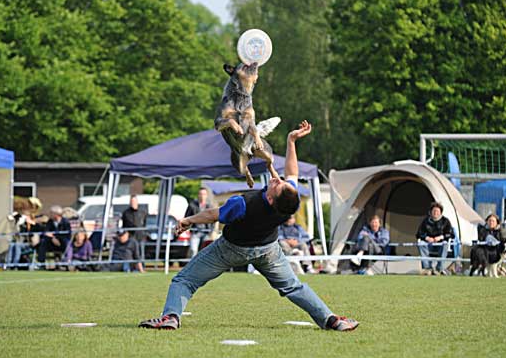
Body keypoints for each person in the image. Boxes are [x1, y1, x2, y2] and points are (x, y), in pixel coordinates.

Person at [139, 121, 359, 331]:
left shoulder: (245, 203)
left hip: (230, 249)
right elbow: (293, 174)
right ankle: (331, 320)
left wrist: (188, 220)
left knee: (184, 280)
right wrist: (291, 141)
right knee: (293, 287)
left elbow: (213, 214)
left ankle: (171, 317)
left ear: (271, 199)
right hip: (268, 251)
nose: (277, 179)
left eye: (276, 184)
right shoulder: (289, 204)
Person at [416, 202, 455, 275]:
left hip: (440, 244)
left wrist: (440, 237)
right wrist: (427, 238)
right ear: (430, 212)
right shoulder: (426, 221)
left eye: (437, 211)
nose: (435, 213)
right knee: (421, 243)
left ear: (440, 212)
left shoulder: (445, 221)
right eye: (434, 211)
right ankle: (427, 268)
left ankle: (439, 268)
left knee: (445, 244)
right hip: (429, 244)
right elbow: (419, 233)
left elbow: (451, 234)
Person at [185, 187, 215, 257]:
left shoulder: (210, 206)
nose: (202, 196)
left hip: (206, 232)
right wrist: (188, 228)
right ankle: (193, 267)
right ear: (198, 195)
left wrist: (211, 230)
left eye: (204, 194)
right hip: (195, 232)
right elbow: (186, 217)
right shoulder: (192, 205)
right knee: (193, 250)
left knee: (204, 252)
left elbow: (214, 219)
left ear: (207, 195)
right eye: (200, 194)